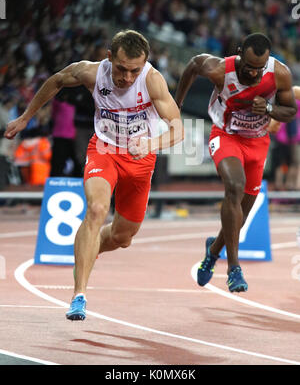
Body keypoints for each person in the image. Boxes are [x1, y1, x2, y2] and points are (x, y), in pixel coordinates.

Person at [5, 29, 184, 320]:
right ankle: (79, 296)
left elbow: (178, 127)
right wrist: (26, 117)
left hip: (141, 159)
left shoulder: (152, 80)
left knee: (123, 236)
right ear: (109, 57)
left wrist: (152, 143)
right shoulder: (91, 72)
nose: (127, 78)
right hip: (104, 149)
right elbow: (56, 81)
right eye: (122, 69)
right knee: (97, 208)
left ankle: (90, 247)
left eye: (134, 71)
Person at [175, 33, 297, 292]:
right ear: (240, 53)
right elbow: (194, 64)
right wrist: (177, 104)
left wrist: (269, 110)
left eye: (259, 69)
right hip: (226, 136)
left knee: (242, 212)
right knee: (234, 186)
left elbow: (290, 111)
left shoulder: (280, 73)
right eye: (249, 67)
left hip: (257, 142)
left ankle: (213, 251)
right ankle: (234, 269)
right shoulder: (221, 69)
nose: (253, 73)